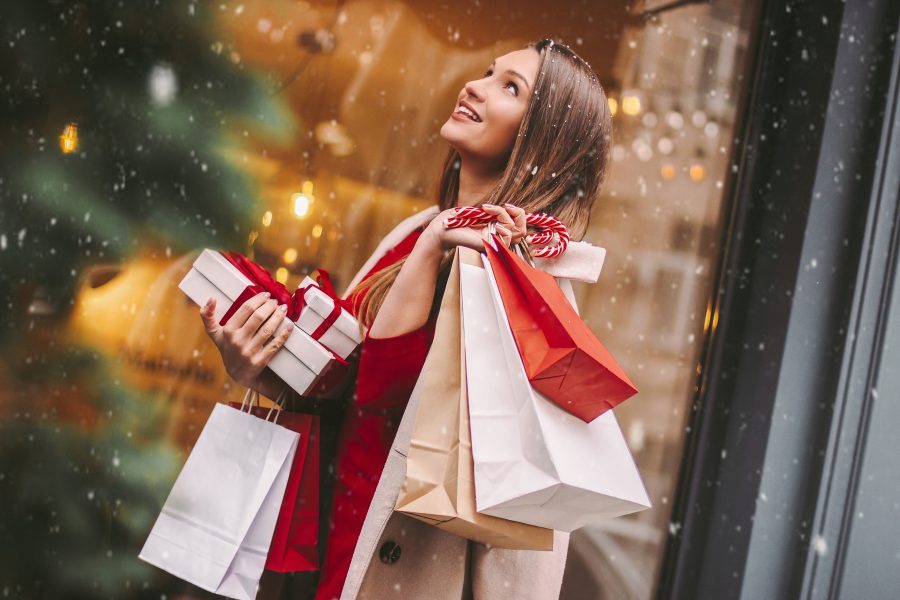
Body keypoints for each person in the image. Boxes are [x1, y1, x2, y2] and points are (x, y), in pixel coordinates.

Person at [200, 38, 613, 599]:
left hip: (400, 573)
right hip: (320, 547)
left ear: (541, 137)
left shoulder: (525, 280)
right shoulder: (416, 234)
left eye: (510, 87)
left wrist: (436, 247)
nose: (475, 85)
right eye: (488, 72)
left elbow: (511, 494)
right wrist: (255, 365)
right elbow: (350, 387)